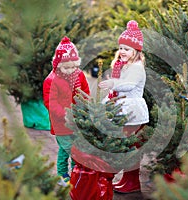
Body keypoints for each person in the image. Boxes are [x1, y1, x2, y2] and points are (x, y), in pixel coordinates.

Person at [98, 20, 149, 193]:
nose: (122, 52)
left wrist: (112, 83)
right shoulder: (123, 66)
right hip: (123, 110)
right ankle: (129, 180)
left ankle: (124, 180)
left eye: (127, 49)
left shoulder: (137, 67)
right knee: (127, 146)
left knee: (126, 146)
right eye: (120, 48)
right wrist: (105, 101)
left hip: (133, 112)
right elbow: (118, 92)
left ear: (136, 51)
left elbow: (127, 85)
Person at [43, 36, 90, 186]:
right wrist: (65, 115)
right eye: (66, 67)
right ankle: (63, 174)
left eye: (73, 67)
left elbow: (85, 91)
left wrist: (85, 106)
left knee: (67, 149)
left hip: (76, 120)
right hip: (61, 124)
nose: (70, 70)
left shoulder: (79, 75)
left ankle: (72, 172)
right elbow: (50, 102)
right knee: (69, 148)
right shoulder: (51, 80)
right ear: (57, 65)